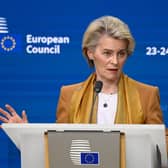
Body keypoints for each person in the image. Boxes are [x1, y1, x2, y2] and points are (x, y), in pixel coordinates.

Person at [0, 16, 164, 126]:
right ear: (90, 53)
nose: (115, 61)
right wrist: (26, 134)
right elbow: (58, 147)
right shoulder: (69, 94)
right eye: (107, 53)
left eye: (121, 54)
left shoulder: (147, 95)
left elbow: (161, 149)